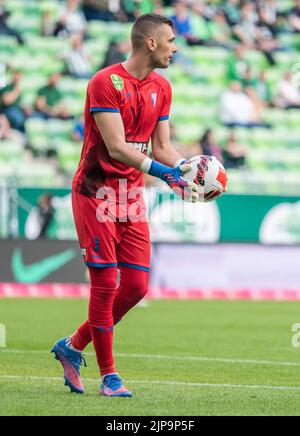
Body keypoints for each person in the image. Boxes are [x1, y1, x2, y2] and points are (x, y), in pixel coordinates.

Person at [51, 13, 199, 398]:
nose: (175, 47)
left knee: (135, 286)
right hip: (94, 192)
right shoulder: (105, 82)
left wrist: (188, 172)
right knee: (104, 284)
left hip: (131, 196)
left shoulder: (162, 87)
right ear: (150, 43)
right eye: (170, 40)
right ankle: (109, 377)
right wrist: (163, 173)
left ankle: (72, 345)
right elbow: (116, 146)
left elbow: (163, 147)